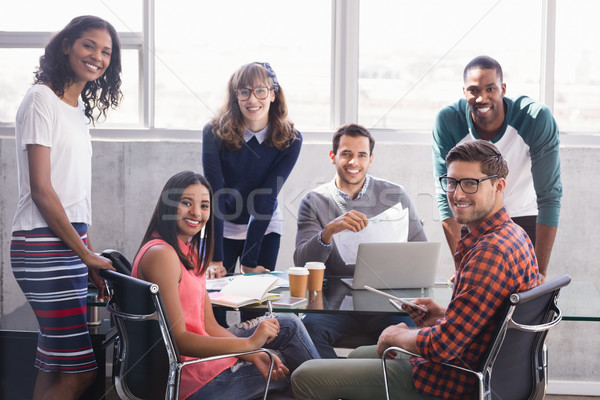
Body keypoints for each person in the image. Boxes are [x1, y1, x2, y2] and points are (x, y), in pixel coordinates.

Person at [291, 140, 539, 400]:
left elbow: (443, 346)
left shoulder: (490, 253)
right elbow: (490, 318)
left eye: (470, 183)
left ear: (499, 186)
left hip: (451, 379)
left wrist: (397, 335)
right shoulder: (513, 235)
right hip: (469, 363)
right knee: (356, 354)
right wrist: (444, 315)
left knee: (304, 376)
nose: (457, 194)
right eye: (452, 182)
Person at [9, 16, 122, 399]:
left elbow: (75, 196)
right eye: (89, 45)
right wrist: (84, 253)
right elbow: (42, 190)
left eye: (106, 51)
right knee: (82, 372)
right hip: (40, 243)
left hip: (67, 242)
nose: (97, 57)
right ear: (66, 45)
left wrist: (86, 252)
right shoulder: (40, 98)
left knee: (55, 365)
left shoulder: (77, 111)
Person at [132, 170, 320, 400]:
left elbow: (209, 325)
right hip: (190, 379)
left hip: (201, 364)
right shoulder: (162, 255)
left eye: (204, 206)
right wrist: (250, 344)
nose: (196, 213)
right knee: (300, 379)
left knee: (288, 324)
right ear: (168, 205)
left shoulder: (187, 251)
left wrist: (252, 353)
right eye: (186, 203)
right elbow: (178, 341)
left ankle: (327, 386)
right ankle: (330, 387)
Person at [293, 123, 427, 358]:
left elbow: (421, 252)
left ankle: (372, 384)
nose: (353, 162)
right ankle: (333, 385)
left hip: (387, 304)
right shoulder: (314, 201)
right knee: (304, 331)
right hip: (335, 308)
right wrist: (328, 231)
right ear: (333, 156)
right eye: (346, 154)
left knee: (412, 335)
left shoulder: (395, 195)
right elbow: (303, 261)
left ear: (370, 159)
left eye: (361, 155)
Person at [432, 55, 562, 282]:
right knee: (475, 299)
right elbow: (446, 193)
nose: (482, 97)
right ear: (464, 92)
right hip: (473, 217)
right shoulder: (448, 121)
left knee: (522, 300)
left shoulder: (535, 119)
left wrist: (539, 272)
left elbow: (549, 196)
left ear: (502, 89)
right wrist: (460, 266)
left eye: (490, 89)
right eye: (474, 90)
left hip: (521, 218)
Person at [202, 62, 302, 277]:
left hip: (263, 228)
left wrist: (249, 260)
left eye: (260, 91)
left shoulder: (291, 139)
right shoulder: (213, 132)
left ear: (273, 94)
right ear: (235, 96)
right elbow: (214, 194)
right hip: (223, 226)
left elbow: (266, 197)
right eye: (244, 91)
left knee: (256, 305)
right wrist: (215, 257)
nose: (252, 99)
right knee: (216, 303)